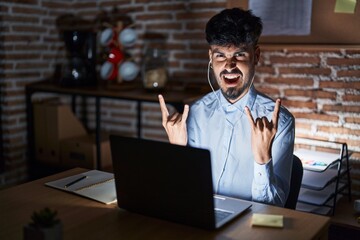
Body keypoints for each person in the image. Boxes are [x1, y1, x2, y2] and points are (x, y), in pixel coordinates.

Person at [158, 8, 295, 207]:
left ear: (256, 56)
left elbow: (273, 209)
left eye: (239, 55)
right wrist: (178, 151)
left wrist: (262, 158)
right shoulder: (195, 112)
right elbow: (183, 193)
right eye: (220, 56)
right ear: (210, 58)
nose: (229, 66)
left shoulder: (280, 121)